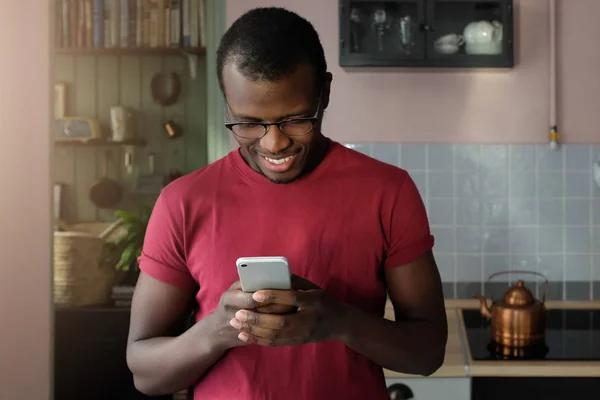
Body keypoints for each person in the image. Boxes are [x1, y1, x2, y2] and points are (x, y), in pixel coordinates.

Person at [126, 6, 447, 400]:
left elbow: (428, 352)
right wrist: (218, 331)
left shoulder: (388, 192)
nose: (274, 144)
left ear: (324, 93)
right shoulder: (183, 202)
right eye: (247, 123)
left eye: (296, 119)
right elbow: (145, 372)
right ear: (227, 105)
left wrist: (338, 322)